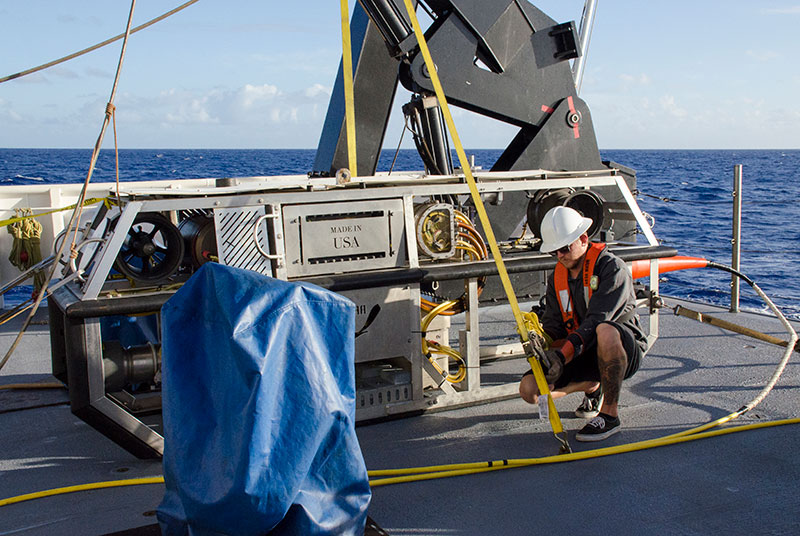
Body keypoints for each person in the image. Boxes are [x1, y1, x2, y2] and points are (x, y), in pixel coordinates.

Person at [519, 206, 646, 441]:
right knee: (529, 390)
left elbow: (596, 321)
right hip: (580, 350)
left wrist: (563, 355)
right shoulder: (558, 277)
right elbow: (555, 323)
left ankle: (609, 415)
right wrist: (542, 341)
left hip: (621, 350)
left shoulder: (612, 269)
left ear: (584, 238)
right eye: (554, 251)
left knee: (604, 330)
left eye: (564, 248)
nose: (560, 256)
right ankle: (592, 386)